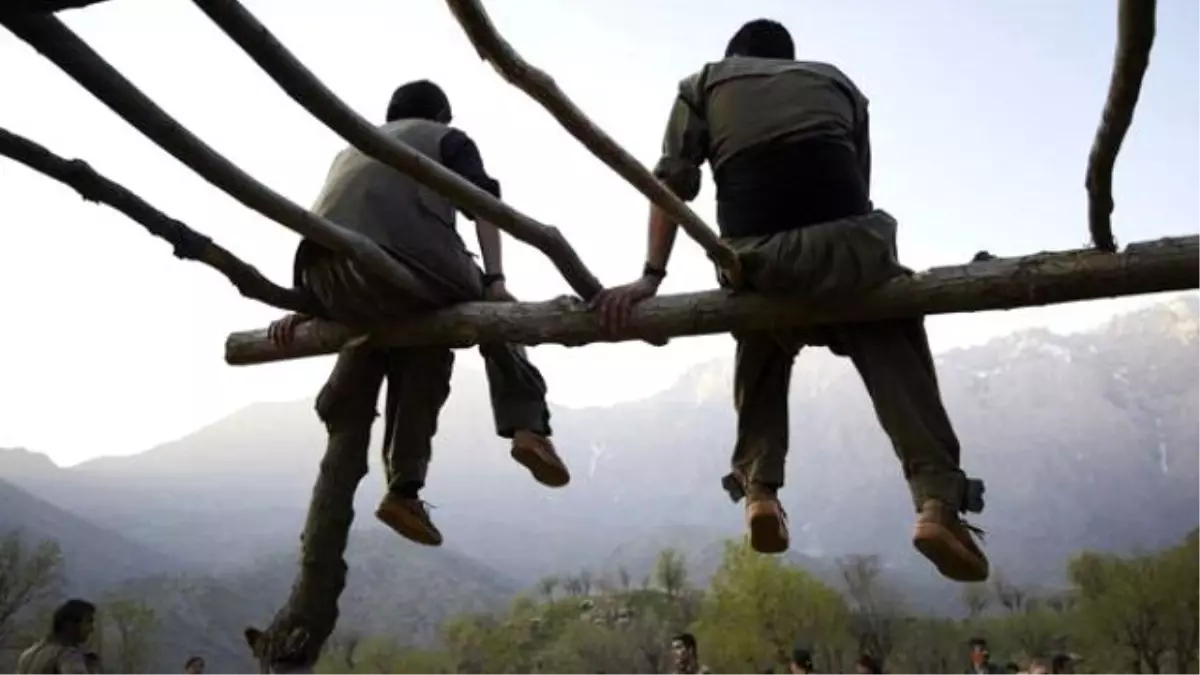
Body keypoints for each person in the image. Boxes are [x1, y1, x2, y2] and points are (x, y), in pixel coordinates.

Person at [591, 17, 988, 582]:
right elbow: (856, 189)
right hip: (853, 246)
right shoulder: (840, 84)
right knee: (887, 323)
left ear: (735, 57)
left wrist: (650, 277)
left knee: (757, 323)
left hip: (760, 260)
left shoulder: (703, 83)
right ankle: (936, 502)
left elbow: (669, 186)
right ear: (788, 60)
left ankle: (758, 488)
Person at [268, 79, 570, 547]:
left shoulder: (348, 149)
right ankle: (528, 425)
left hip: (323, 280)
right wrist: (495, 280)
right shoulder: (444, 139)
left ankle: (404, 492)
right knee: (488, 310)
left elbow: (337, 217)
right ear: (441, 116)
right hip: (399, 261)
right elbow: (484, 204)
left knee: (429, 344)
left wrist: (305, 307)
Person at [15, 599, 97, 675]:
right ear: (70, 625)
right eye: (88, 622)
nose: (91, 628)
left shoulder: (29, 653)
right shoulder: (68, 655)